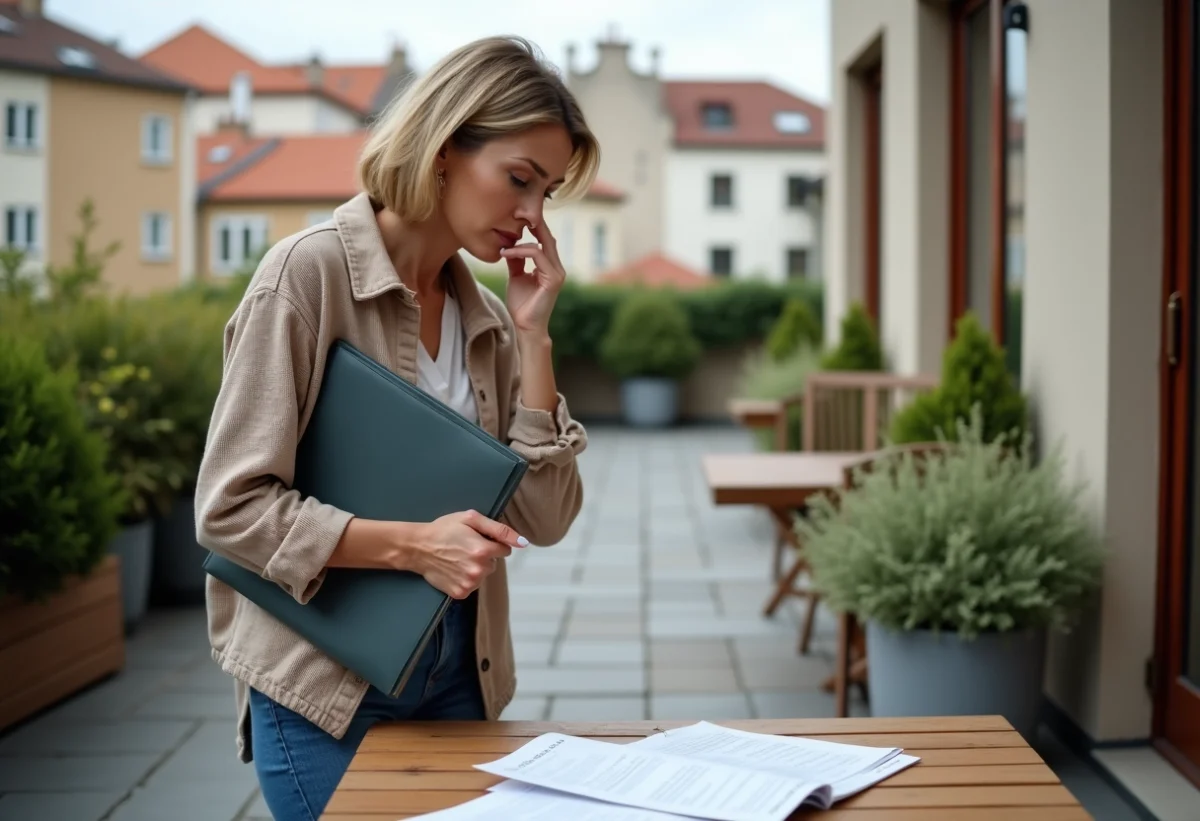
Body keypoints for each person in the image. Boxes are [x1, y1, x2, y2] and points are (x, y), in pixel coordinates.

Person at [193, 34, 600, 820]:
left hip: (460, 674)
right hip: (323, 688)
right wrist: (415, 546)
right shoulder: (305, 276)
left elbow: (544, 518)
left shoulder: (488, 319)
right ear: (445, 149)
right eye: (519, 179)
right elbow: (228, 508)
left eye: (547, 192)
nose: (531, 215)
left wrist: (535, 337)